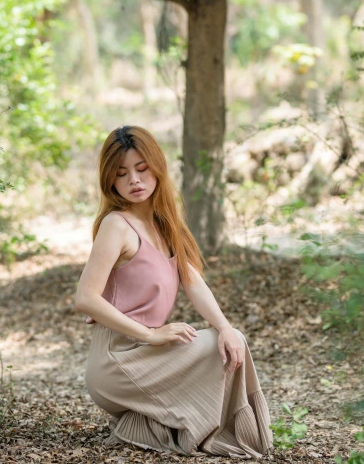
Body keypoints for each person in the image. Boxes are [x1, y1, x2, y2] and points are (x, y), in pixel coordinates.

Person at [74, 125, 273, 458]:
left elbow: (193, 282)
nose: (134, 180)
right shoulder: (116, 225)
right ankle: (199, 427)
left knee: (228, 342)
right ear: (110, 180)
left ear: (157, 168)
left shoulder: (165, 225)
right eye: (122, 174)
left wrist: (224, 327)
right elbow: (85, 298)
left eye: (141, 169)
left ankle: (143, 426)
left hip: (149, 353)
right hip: (117, 360)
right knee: (215, 347)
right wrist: (151, 335)